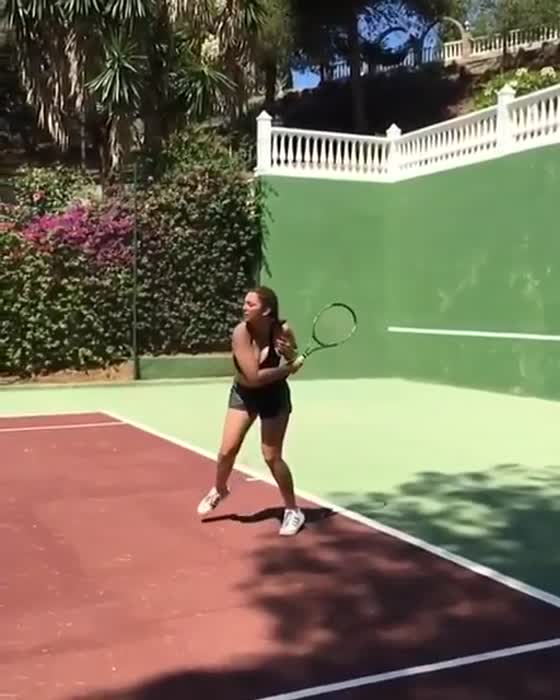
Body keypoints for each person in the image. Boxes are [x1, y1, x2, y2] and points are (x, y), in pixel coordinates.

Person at [197, 286, 306, 536]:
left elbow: (293, 356)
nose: (244, 307)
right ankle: (220, 489)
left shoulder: (283, 330)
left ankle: (293, 511)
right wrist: (289, 369)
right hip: (245, 394)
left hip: (275, 396)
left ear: (266, 310)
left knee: (272, 456)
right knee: (227, 451)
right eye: (245, 303)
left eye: (250, 304)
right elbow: (253, 378)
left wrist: (290, 355)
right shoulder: (241, 333)